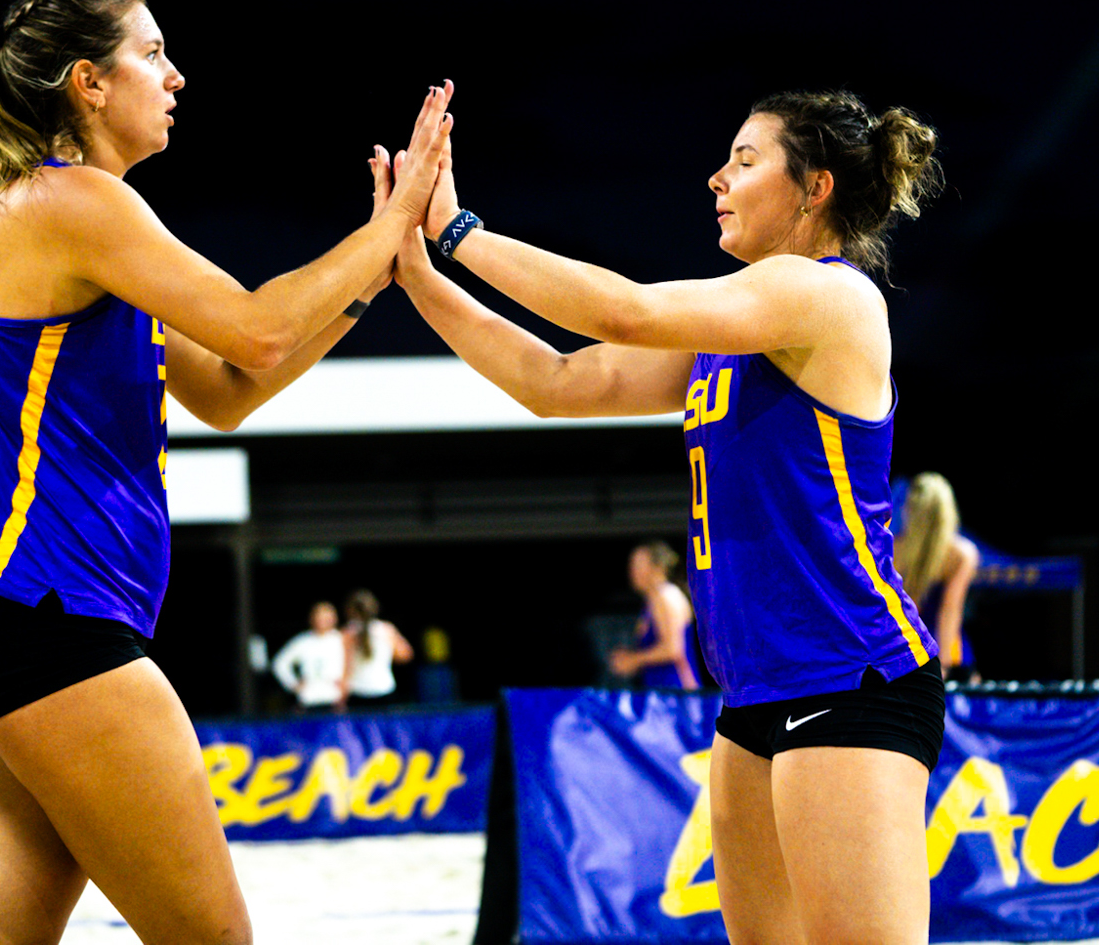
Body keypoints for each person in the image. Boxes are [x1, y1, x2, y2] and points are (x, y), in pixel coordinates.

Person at [0, 0, 452, 945]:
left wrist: (377, 270)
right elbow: (259, 332)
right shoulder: (71, 203)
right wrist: (384, 224)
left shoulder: (87, 230)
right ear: (89, 83)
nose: (175, 75)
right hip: (55, 622)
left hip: (14, 623)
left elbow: (227, 390)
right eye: (153, 52)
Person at [394, 88, 945, 945]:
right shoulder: (731, 335)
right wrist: (419, 276)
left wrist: (459, 229)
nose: (717, 176)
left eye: (746, 159)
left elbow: (626, 309)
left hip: (852, 678)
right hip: (756, 691)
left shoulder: (827, 298)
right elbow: (557, 383)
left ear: (815, 189)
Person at [895, 473, 980, 683]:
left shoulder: (895, 549)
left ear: (910, 511)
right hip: (949, 653)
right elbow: (949, 612)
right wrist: (942, 666)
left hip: (906, 653)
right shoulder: (962, 554)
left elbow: (899, 610)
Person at [608, 541, 700, 690]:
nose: (632, 571)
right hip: (660, 694)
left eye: (638, 564)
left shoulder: (666, 595)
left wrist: (634, 660)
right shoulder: (651, 601)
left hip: (677, 694)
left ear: (657, 567)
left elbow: (673, 649)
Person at [341, 589, 414, 708]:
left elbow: (345, 668)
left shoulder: (348, 633)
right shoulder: (387, 629)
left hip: (358, 692)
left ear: (350, 610)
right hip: (384, 689)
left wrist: (341, 697)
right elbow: (405, 655)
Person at [272, 602, 349, 713]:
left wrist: (345, 684)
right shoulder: (303, 641)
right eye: (319, 617)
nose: (322, 621)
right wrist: (293, 684)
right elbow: (279, 663)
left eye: (326, 617)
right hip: (309, 699)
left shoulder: (341, 639)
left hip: (335, 700)